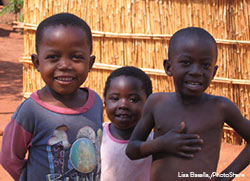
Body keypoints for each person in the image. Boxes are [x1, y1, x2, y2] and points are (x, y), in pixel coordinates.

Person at [126, 27, 250, 181]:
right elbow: (132, 150)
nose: (196, 71)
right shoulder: (156, 103)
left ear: (214, 72)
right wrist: (161, 144)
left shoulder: (220, 108)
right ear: (168, 67)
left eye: (205, 65)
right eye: (186, 63)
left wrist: (225, 177)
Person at [0, 13, 103, 181]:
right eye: (53, 57)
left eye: (76, 57)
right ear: (37, 63)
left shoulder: (96, 102)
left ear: (90, 63)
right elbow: (9, 157)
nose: (64, 65)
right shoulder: (31, 111)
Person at [100, 66, 153, 181]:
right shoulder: (97, 137)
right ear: (105, 101)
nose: (123, 105)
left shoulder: (154, 142)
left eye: (133, 99)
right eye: (115, 98)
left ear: (148, 103)